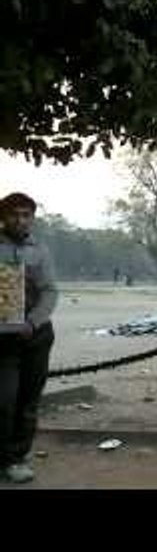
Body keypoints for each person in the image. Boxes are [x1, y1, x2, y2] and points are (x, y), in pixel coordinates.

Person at [0, 192, 59, 484]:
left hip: (35, 336)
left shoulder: (41, 251)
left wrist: (33, 322)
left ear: (32, 219)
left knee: (28, 401)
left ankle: (16, 458)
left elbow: (50, 292)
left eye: (26, 215)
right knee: (4, 400)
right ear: (3, 217)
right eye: (14, 214)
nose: (20, 220)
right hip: (2, 340)